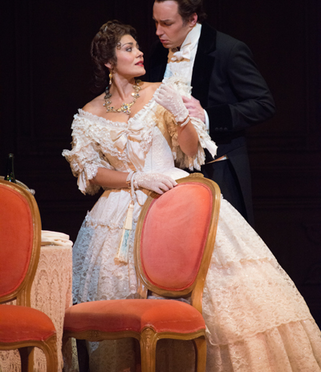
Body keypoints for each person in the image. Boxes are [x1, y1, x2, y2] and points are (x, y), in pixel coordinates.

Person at [63, 20, 321, 372]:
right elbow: (90, 171)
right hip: (120, 207)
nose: (139, 52)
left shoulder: (159, 92)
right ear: (109, 62)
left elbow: (191, 151)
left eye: (137, 46)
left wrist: (182, 116)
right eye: (128, 48)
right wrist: (136, 178)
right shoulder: (90, 114)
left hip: (174, 199)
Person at [147, 0, 276, 226]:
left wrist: (207, 116)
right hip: (172, 176)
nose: (158, 31)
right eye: (156, 22)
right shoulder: (157, 52)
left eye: (167, 23)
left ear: (192, 19)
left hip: (219, 171)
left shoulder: (228, 49)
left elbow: (264, 104)